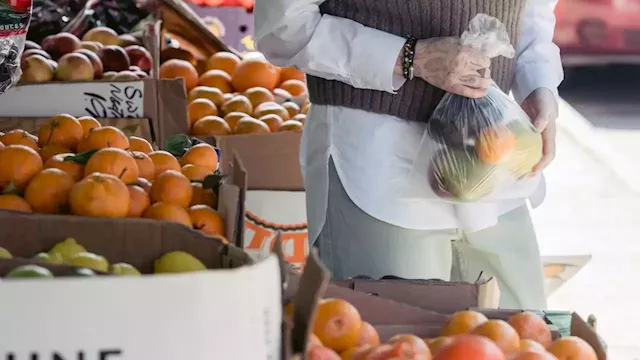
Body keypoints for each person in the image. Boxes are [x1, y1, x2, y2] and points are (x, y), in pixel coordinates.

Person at [254, 0, 562, 309]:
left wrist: (538, 84)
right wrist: (411, 57)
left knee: (523, 338)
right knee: (394, 342)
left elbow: (533, 11)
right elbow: (282, 27)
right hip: (380, 166)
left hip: (494, 160)